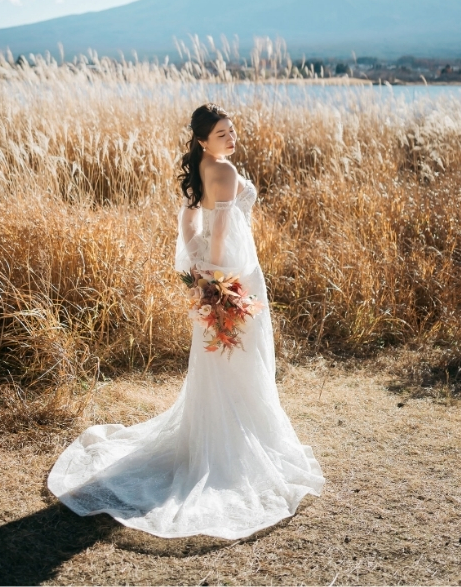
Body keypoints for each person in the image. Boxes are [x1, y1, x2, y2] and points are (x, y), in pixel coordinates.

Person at [47, 104, 324, 539]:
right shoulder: (226, 171)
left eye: (231, 131)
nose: (230, 139)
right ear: (201, 140)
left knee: (222, 358)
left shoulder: (200, 168)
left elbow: (190, 217)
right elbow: (219, 228)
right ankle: (235, 452)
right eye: (220, 134)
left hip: (217, 271)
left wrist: (198, 269)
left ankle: (216, 442)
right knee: (242, 355)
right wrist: (215, 282)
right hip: (233, 274)